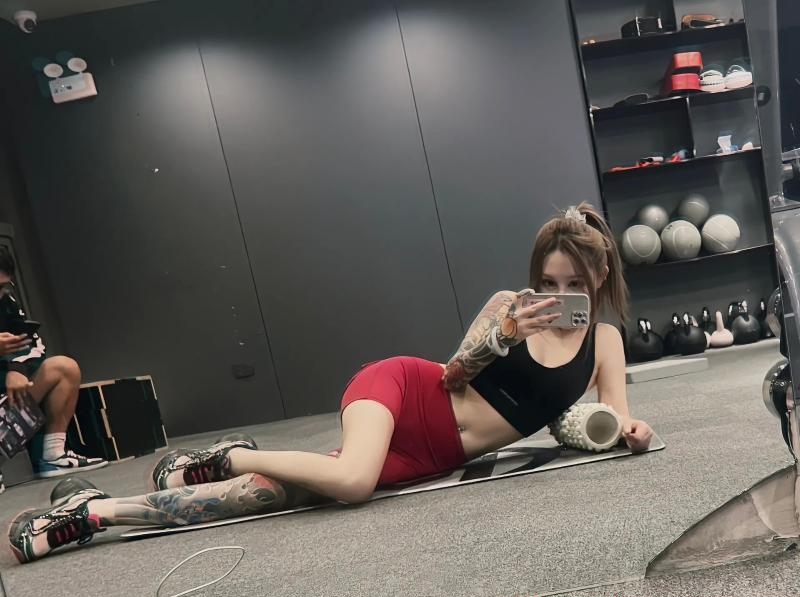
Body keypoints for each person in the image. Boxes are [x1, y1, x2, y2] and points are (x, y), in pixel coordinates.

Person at [8, 203, 653, 563]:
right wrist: (504, 333)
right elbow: (452, 372)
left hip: (432, 457)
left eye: (575, 284)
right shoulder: (508, 307)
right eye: (549, 281)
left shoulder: (604, 342)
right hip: (406, 392)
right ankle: (230, 454)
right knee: (352, 483)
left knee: (263, 498)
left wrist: (634, 432)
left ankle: (94, 514)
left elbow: (616, 417)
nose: (559, 294)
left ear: (600, 280)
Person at [0, 247, 107, 487]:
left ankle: (53, 456)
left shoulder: (6, 302)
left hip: (6, 398)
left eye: (3, 286)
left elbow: (33, 343)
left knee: (64, 367)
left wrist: (16, 369)